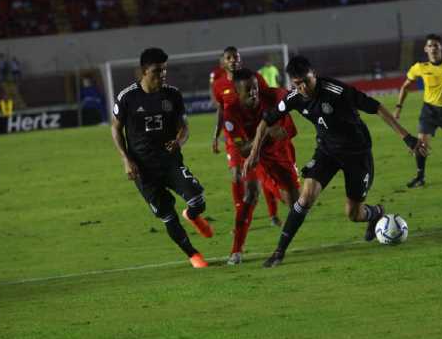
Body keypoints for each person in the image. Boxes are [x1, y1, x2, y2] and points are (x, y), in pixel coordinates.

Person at [243, 56, 426, 267]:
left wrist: (407, 137)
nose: (302, 88)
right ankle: (279, 252)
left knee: (354, 214)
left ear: (314, 74)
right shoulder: (293, 97)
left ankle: (376, 213)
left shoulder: (336, 90)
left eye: (305, 81)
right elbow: (265, 122)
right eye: (296, 84)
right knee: (305, 198)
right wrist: (254, 152)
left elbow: (376, 107)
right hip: (327, 152)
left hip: (357, 154)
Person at [111, 47, 214, 269]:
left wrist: (179, 140)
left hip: (170, 162)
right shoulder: (127, 97)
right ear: (144, 72)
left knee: (198, 198)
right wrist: (125, 159)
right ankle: (194, 255)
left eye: (165, 70)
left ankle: (193, 215)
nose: (163, 75)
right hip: (143, 169)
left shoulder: (172, 94)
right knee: (167, 215)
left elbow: (184, 127)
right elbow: (116, 129)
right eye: (157, 71)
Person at [222, 68, 300, 265]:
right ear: (236, 91)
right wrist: (266, 132)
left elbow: (295, 104)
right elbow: (245, 151)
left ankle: (269, 186)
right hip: (254, 157)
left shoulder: (273, 96)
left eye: (255, 88)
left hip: (281, 152)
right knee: (250, 194)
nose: (253, 93)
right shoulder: (231, 113)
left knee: (295, 204)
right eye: (248, 90)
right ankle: (236, 251)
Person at [209, 47, 282, 227]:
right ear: (223, 62)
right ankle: (240, 213)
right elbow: (220, 111)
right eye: (229, 57)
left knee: (262, 174)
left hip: (257, 133)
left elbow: (268, 100)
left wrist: (273, 126)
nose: (233, 60)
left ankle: (273, 214)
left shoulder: (254, 78)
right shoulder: (218, 85)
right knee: (236, 175)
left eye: (236, 57)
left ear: (240, 60)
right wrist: (215, 135)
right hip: (234, 139)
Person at [394, 34, 442, 188]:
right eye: (430, 46)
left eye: (436, 45)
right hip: (429, 111)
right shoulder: (420, 67)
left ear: (441, 47)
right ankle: (420, 176)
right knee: (421, 144)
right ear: (425, 49)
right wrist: (398, 107)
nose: (433, 48)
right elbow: (405, 87)